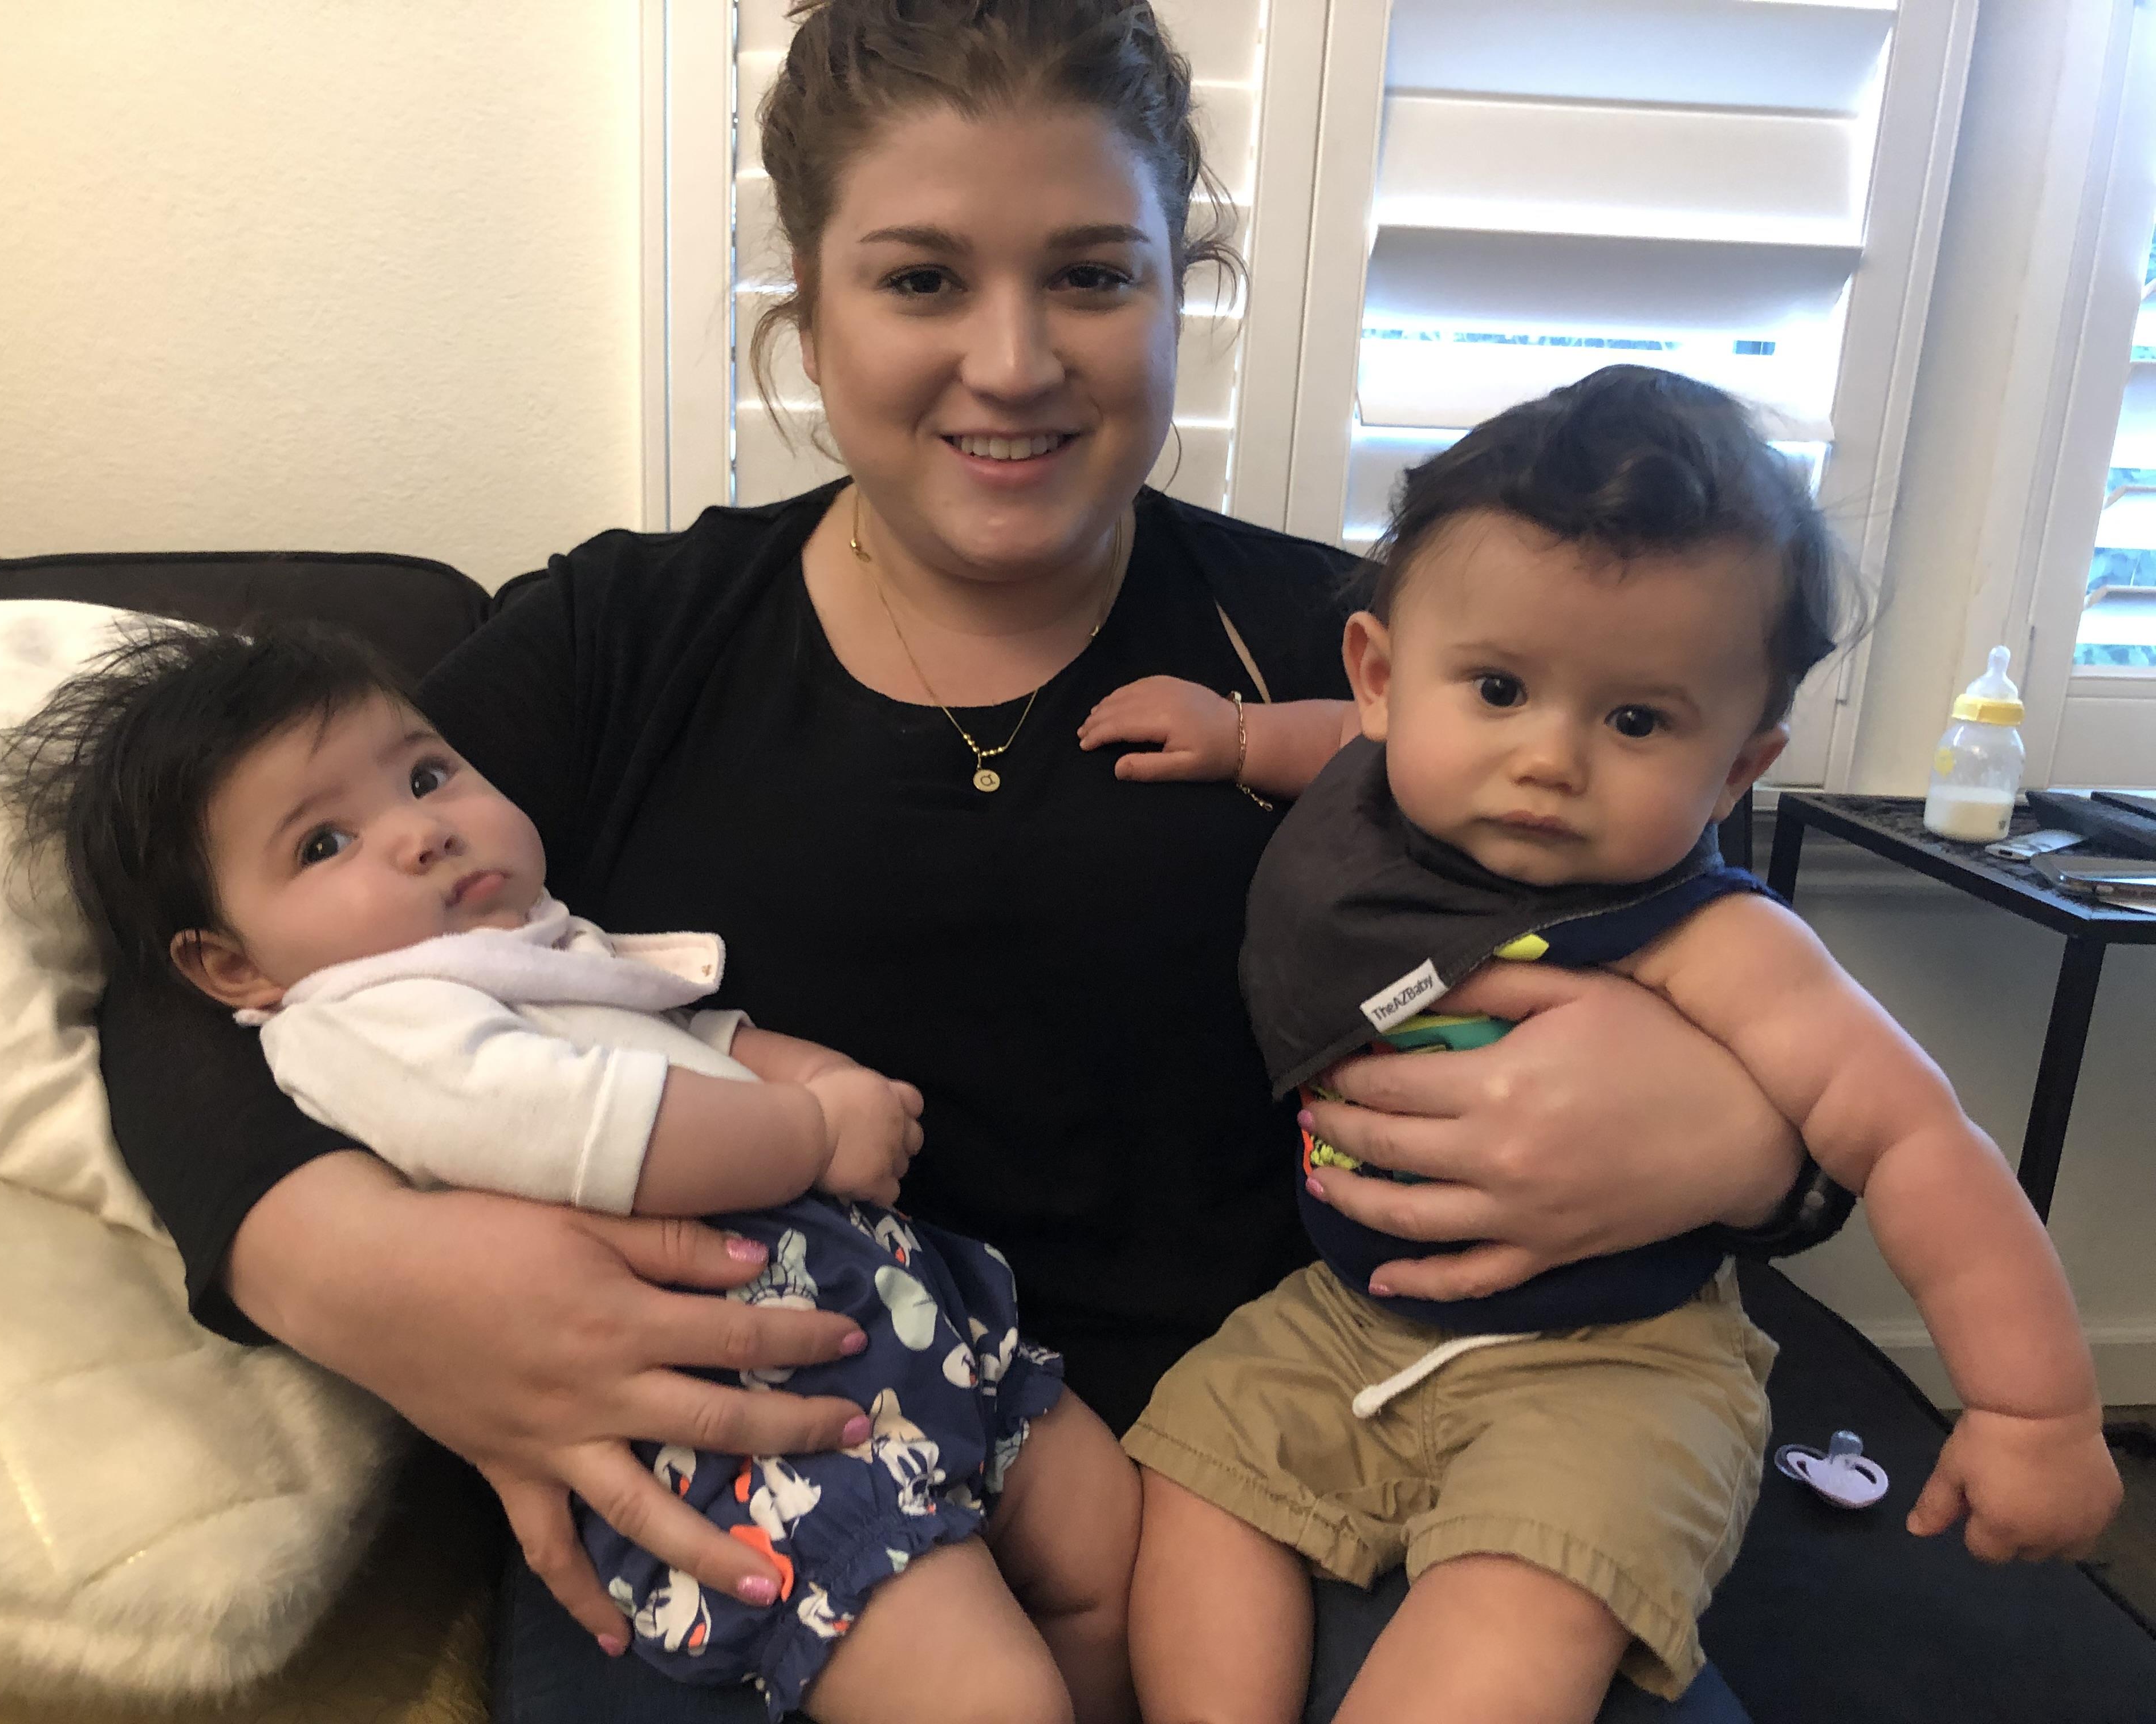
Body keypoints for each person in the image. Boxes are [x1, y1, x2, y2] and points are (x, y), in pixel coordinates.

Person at [92, 5, 1841, 1718]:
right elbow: (188, 977)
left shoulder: (1387, 655)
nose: (1013, 362)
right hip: (767, 1452)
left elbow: (1753, 968)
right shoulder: (623, 638)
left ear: (1182, 292)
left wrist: (1752, 1150)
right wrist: (351, 1273)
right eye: (922, 278)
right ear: (807, 304)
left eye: (1093, 275)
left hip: (1311, 1456)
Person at [1086, 367, 2123, 1724]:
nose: (1550, 760)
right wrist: (1233, 737)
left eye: (1637, 721)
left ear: (1740, 769)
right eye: (1503, 687)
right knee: (1198, 1473)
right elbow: (1330, 741)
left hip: (1615, 1367)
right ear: (1387, 678)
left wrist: (2034, 1413)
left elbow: (1918, 1136)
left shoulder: (1707, 935)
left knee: (1525, 1598)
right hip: (1348, 1315)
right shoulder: (1373, 773)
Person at [0, 620, 1138, 1723]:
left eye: (428, 776)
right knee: (993, 1698)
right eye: (323, 844)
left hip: (900, 1323)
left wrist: (820, 1073)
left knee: (1103, 1535)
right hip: (744, 1443)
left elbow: (688, 1032)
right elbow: (584, 1123)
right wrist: (810, 1131)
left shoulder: (537, 947)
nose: (421, 831)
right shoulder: (368, 1018)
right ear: (233, 964)